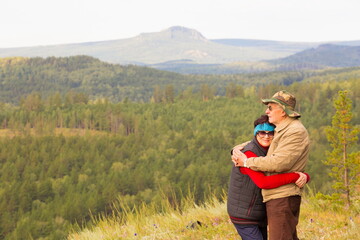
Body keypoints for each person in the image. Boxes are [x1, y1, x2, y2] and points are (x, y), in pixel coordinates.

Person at [232, 90, 310, 240]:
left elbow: (279, 162)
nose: (266, 111)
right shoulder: (283, 129)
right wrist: (236, 149)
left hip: (283, 197)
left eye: (270, 107)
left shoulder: (294, 131)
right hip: (278, 196)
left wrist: (247, 162)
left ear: (283, 110)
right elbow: (263, 143)